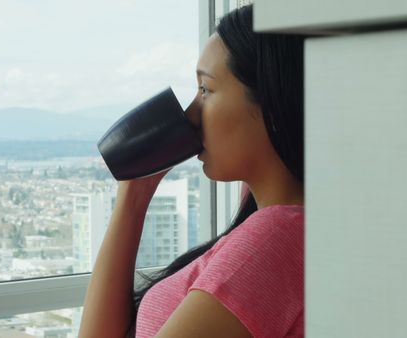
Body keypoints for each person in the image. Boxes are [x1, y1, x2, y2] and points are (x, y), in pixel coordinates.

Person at [79, 5, 304, 337]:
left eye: (206, 90)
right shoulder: (272, 227)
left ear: (271, 104)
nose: (190, 114)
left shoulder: (275, 237)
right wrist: (135, 193)